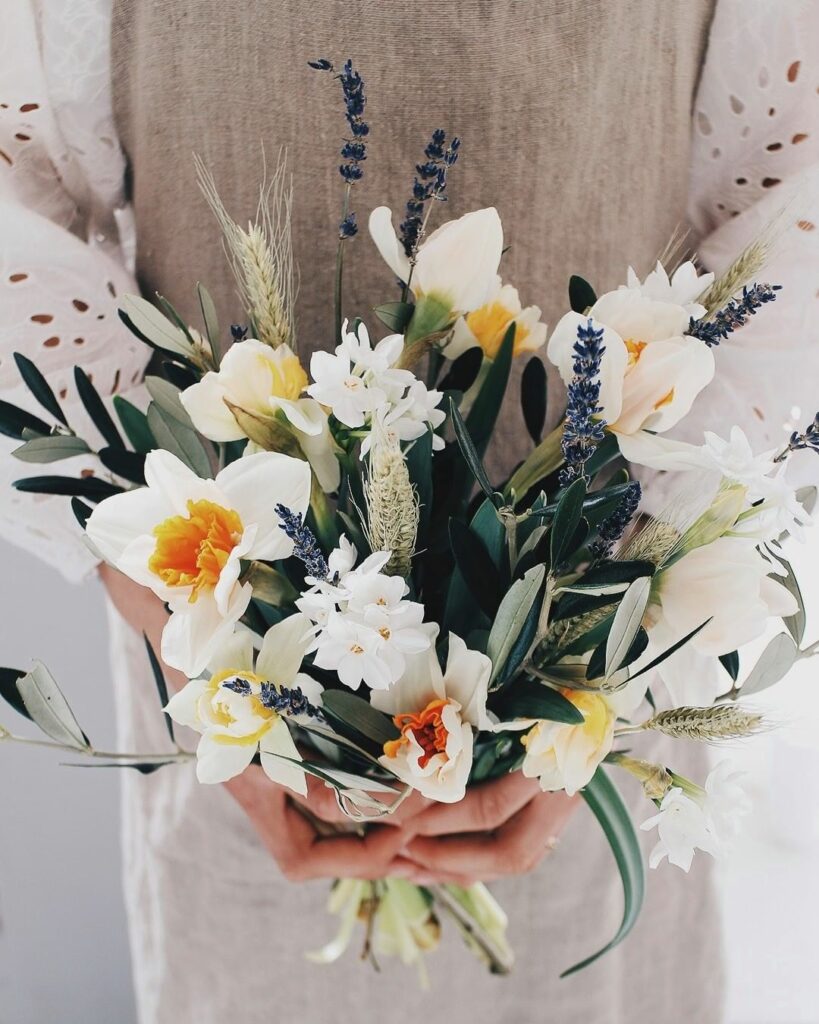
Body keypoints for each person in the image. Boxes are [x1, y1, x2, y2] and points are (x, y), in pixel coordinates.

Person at [1, 2, 817, 1021]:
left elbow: (794, 196)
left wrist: (611, 643)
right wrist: (195, 629)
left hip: (600, 674)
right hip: (229, 677)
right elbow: (14, 189)